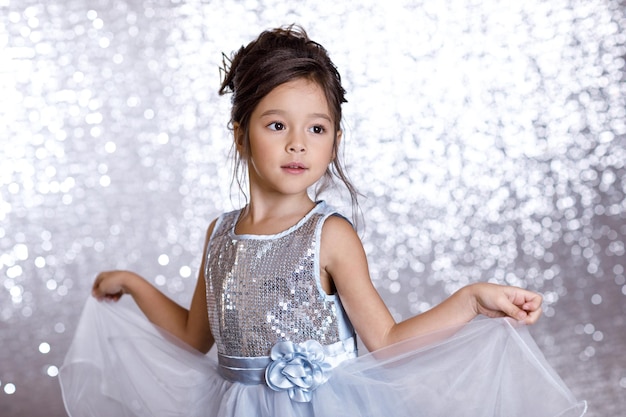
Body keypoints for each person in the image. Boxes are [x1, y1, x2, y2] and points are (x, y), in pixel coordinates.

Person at [59, 26, 586, 416]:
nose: (297, 143)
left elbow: (386, 340)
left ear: (334, 139)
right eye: (276, 124)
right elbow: (197, 337)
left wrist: (470, 299)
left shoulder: (328, 235)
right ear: (240, 134)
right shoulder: (219, 234)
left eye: (317, 128)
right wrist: (133, 283)